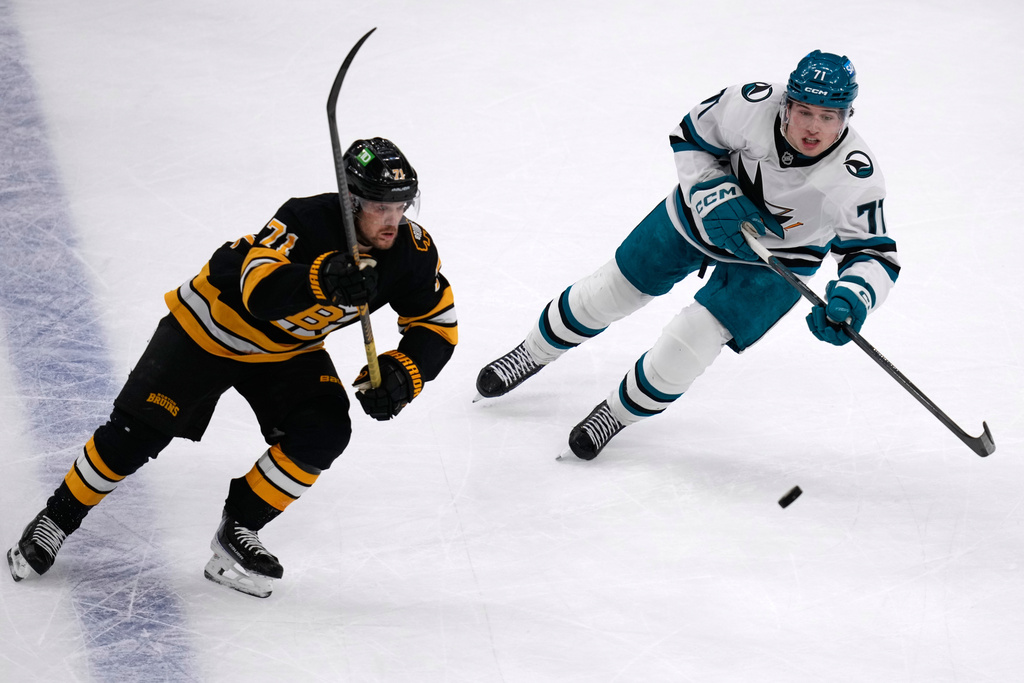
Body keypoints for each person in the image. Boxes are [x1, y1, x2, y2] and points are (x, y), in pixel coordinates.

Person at [7, 137, 458, 598]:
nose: (393, 220)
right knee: (135, 434)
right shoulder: (305, 220)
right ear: (351, 201)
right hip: (208, 329)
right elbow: (257, 292)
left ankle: (239, 527)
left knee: (323, 431)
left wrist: (404, 371)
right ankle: (56, 519)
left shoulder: (412, 251)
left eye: (401, 206)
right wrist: (321, 277)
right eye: (381, 207)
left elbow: (437, 324)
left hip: (288, 352)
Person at [476, 50, 899, 460]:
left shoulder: (855, 175)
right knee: (609, 292)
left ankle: (615, 415)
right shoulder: (750, 103)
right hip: (699, 217)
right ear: (787, 104)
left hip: (779, 259)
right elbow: (691, 134)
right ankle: (531, 352)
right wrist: (710, 190)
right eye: (804, 111)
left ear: (847, 117)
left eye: (828, 116)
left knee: (689, 344)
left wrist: (854, 297)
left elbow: (873, 253)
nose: (813, 127)